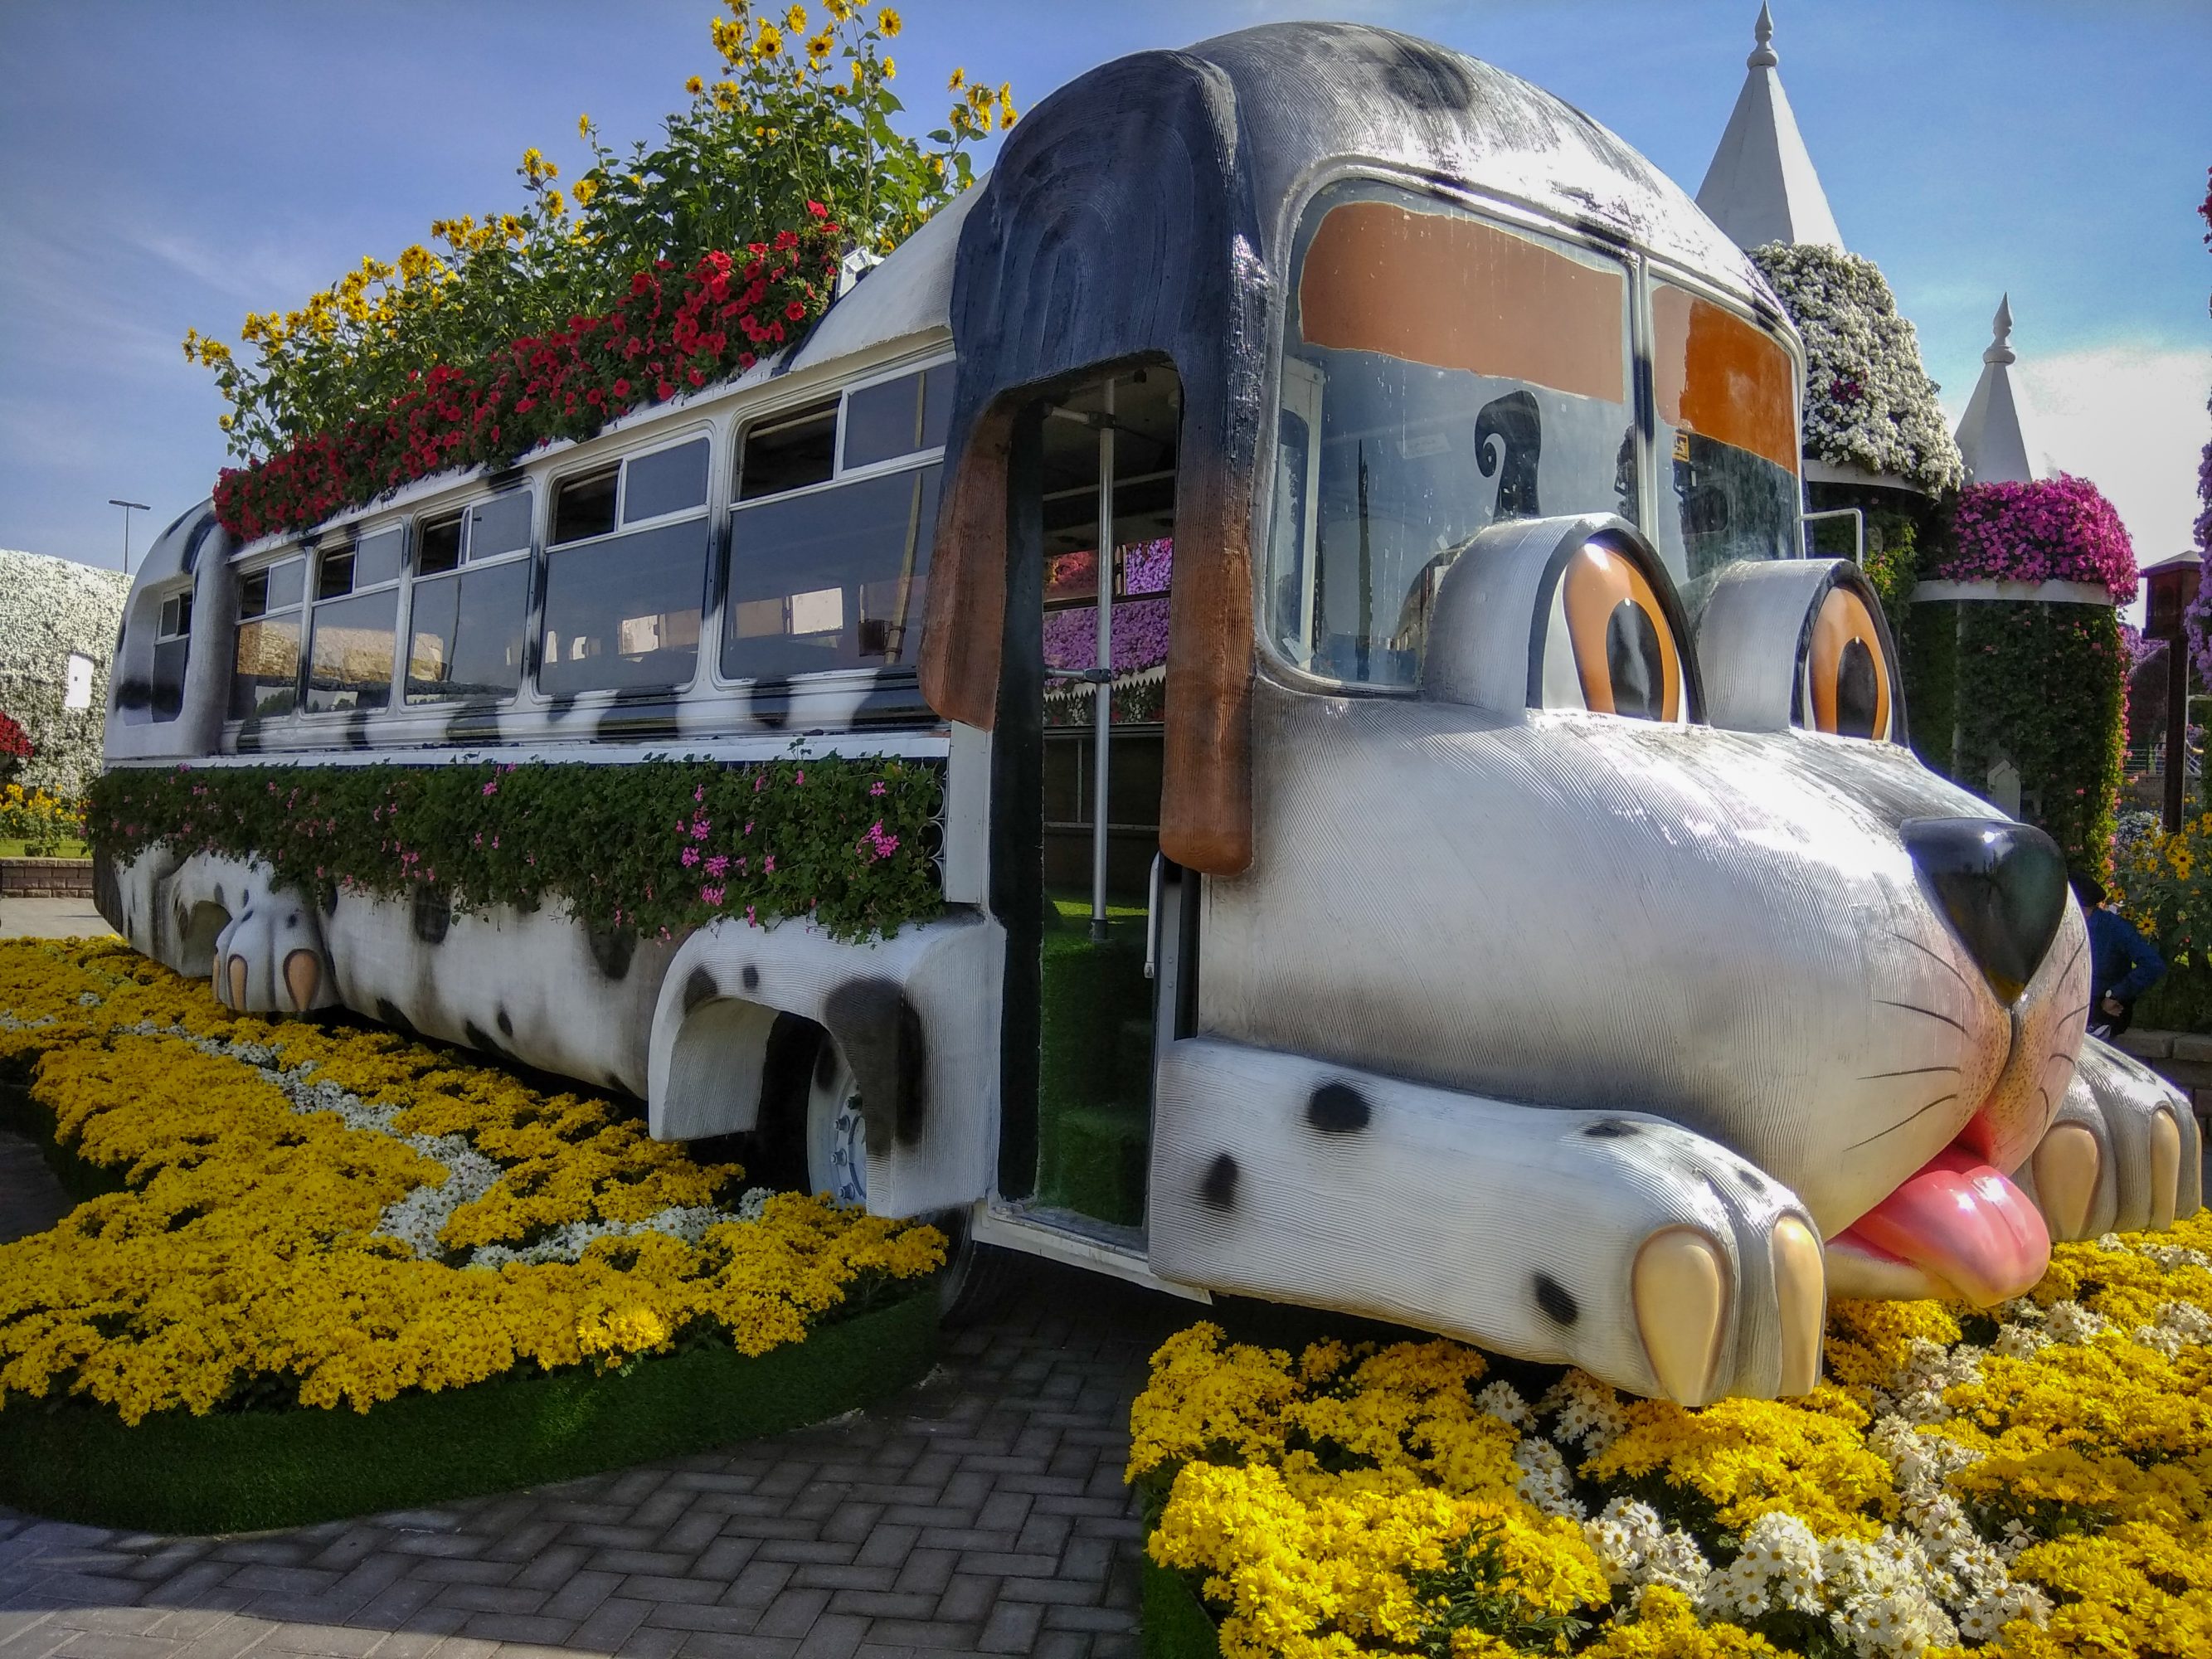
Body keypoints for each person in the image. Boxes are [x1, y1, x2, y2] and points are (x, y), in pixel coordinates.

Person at [2069, 867, 2166, 1040]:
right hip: (2068, 1008)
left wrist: (2115, 994)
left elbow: (2153, 964)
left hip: (2103, 1009)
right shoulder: (2062, 927)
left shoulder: (2115, 928)